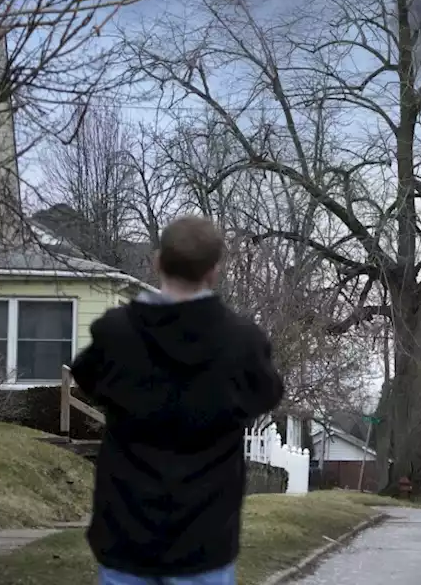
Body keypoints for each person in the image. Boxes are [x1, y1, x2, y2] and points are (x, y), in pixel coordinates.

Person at [70, 215, 284, 585]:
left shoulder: (116, 335)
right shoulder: (242, 343)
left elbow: (87, 377)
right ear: (214, 271)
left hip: (126, 533)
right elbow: (267, 394)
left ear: (157, 261)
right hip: (205, 539)